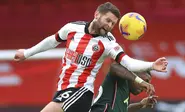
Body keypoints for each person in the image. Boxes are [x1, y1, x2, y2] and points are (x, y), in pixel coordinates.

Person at [14, 2, 167, 112]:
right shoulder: (72, 28)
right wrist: (26, 53)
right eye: (107, 20)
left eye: (113, 24)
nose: (109, 26)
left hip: (80, 91)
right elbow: (52, 41)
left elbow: (127, 63)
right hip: (64, 89)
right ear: (96, 15)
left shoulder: (108, 42)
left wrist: (152, 65)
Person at [90, 62, 157, 112]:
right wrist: (140, 81)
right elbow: (114, 67)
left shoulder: (125, 93)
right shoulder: (120, 80)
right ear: (135, 73)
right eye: (146, 81)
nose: (146, 87)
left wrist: (140, 104)